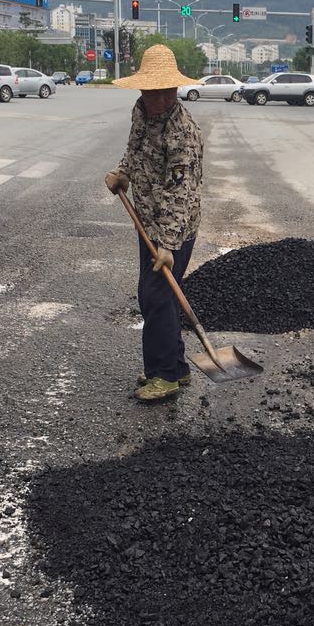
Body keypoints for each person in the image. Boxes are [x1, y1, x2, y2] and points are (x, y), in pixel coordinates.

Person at [104, 45, 204, 403]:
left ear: (175, 89)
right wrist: (123, 173)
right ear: (142, 88)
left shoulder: (182, 134)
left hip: (175, 227)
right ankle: (176, 366)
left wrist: (168, 246)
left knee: (155, 297)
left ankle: (163, 376)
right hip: (147, 219)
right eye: (152, 91)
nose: (159, 99)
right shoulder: (142, 112)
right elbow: (135, 149)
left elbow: (180, 193)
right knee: (160, 296)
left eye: (166, 91)